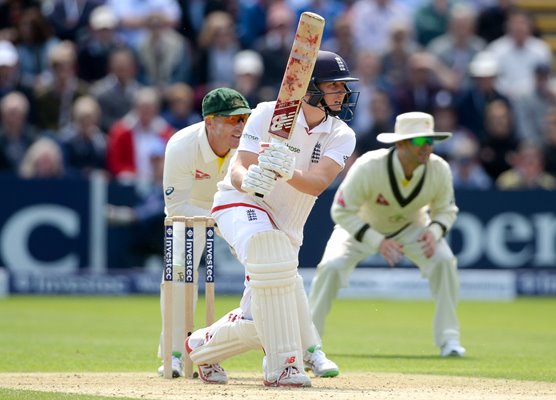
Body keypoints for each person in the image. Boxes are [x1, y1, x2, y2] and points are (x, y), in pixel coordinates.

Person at [185, 50, 360, 387]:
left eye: (343, 86)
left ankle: (202, 347)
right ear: (310, 89)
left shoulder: (342, 135)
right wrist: (245, 179)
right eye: (334, 86)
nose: (342, 93)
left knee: (260, 314)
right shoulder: (268, 113)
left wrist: (285, 169)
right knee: (269, 250)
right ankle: (283, 366)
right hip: (239, 203)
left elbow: (317, 184)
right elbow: (240, 166)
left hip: (287, 225)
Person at [309, 111, 467, 358]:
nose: (426, 147)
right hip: (362, 226)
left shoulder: (439, 169)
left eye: (429, 141)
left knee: (444, 261)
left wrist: (434, 231)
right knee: (331, 266)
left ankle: (450, 340)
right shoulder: (370, 166)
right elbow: (341, 211)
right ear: (400, 143)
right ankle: (308, 343)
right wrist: (377, 241)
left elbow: (446, 210)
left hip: (412, 228)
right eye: (419, 141)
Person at [157, 87, 252, 378]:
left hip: (233, 208)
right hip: (190, 212)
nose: (240, 126)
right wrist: (218, 221)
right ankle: (174, 355)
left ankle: (286, 352)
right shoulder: (182, 144)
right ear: (209, 122)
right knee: (178, 275)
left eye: (243, 119)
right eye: (232, 120)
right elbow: (176, 207)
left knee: (265, 268)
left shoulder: (248, 143)